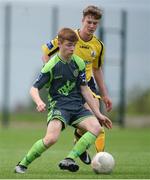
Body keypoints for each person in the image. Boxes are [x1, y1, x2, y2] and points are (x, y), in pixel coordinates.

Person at [14, 28, 112, 174]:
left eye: (74, 45)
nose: (72, 48)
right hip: (59, 107)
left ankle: (69, 159)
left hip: (77, 107)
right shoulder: (51, 66)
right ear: (59, 44)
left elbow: (85, 89)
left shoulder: (79, 63)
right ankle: (22, 164)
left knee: (96, 127)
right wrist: (39, 102)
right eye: (68, 45)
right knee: (51, 139)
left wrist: (98, 113)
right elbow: (33, 89)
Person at [42, 5, 112, 164]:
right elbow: (46, 52)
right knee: (86, 124)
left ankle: (99, 158)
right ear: (82, 20)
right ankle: (79, 145)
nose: (92, 26)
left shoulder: (98, 46)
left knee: (96, 120)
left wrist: (105, 94)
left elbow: (97, 69)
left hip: (86, 85)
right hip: (68, 87)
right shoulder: (69, 37)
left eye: (95, 23)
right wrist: (50, 75)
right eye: (89, 22)